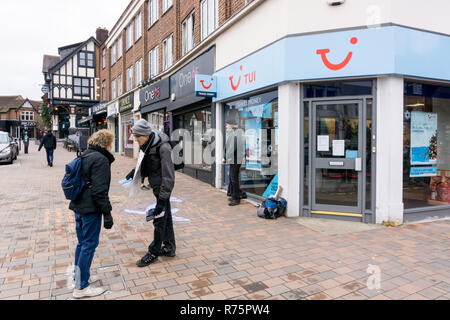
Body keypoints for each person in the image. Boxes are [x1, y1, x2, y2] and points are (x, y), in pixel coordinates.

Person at [68, 129, 115, 299]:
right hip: (90, 209)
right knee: (89, 245)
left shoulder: (86, 154)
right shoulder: (101, 160)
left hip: (79, 206)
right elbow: (100, 191)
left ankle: (80, 276)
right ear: (107, 144)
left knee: (82, 244)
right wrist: (107, 214)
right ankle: (81, 288)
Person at [126, 119, 176, 267]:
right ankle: (169, 247)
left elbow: (169, 175)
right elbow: (148, 164)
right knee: (165, 217)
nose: (135, 139)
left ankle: (153, 252)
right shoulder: (147, 144)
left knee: (159, 220)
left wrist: (162, 198)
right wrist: (134, 173)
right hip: (156, 186)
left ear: (146, 134)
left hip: (162, 189)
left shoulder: (163, 147)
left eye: (137, 136)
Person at [223, 115, 245, 206]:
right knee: (233, 178)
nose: (226, 126)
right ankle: (236, 194)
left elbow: (231, 148)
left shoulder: (234, 133)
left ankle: (236, 199)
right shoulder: (235, 133)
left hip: (235, 159)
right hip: (235, 158)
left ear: (231, 125)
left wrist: (225, 157)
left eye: (227, 124)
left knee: (233, 178)